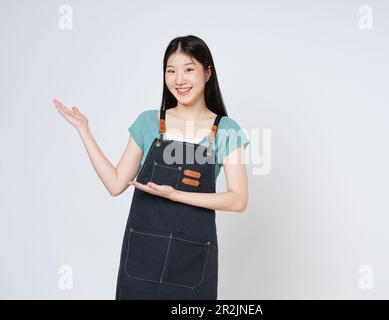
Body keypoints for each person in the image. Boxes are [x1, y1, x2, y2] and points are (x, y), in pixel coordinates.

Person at [53, 35, 250, 299]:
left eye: (188, 69)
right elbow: (115, 184)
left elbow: (238, 200)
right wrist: (84, 130)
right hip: (142, 258)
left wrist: (175, 194)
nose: (179, 79)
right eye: (171, 71)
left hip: (193, 261)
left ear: (207, 73)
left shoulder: (226, 130)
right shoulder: (149, 122)